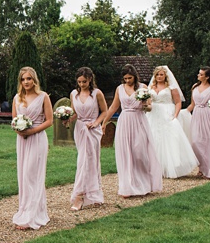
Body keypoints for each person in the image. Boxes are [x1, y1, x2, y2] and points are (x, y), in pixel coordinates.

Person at [99, 66, 162, 198]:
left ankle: (144, 184)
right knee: (125, 153)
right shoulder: (119, 89)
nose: (127, 81)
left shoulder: (143, 88)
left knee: (140, 153)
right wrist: (104, 122)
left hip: (139, 121)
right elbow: (113, 107)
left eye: (130, 78)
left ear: (135, 76)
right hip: (125, 122)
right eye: (125, 78)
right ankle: (127, 186)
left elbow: (150, 107)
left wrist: (146, 105)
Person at [10, 67, 53, 230]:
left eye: (29, 78)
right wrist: (19, 130)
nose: (26, 82)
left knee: (32, 174)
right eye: (23, 79)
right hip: (22, 140)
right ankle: (26, 210)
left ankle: (33, 215)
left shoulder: (43, 97)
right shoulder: (17, 98)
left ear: (34, 80)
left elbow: (49, 121)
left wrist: (32, 131)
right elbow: (14, 120)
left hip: (37, 138)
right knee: (23, 175)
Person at [144, 64, 200, 179]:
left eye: (161, 75)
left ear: (165, 76)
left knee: (169, 138)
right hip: (153, 113)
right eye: (157, 75)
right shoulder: (150, 88)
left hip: (167, 112)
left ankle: (170, 166)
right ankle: (154, 167)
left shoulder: (171, 88)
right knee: (153, 137)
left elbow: (178, 102)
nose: (159, 77)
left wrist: (175, 114)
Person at [68, 67, 107, 210]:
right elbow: (74, 113)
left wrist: (96, 123)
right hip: (79, 129)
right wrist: (67, 119)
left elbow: (104, 111)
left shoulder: (97, 94)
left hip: (93, 130)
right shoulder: (74, 94)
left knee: (89, 161)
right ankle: (90, 194)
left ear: (90, 79)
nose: (81, 84)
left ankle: (80, 196)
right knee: (83, 160)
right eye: (79, 82)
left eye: (84, 81)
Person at [185, 66, 210, 178]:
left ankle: (206, 169)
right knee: (195, 142)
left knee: (208, 142)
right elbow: (192, 104)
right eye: (199, 73)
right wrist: (183, 113)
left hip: (208, 116)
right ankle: (202, 166)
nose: (198, 75)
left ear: (207, 77)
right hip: (197, 115)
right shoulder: (194, 87)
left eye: (201, 74)